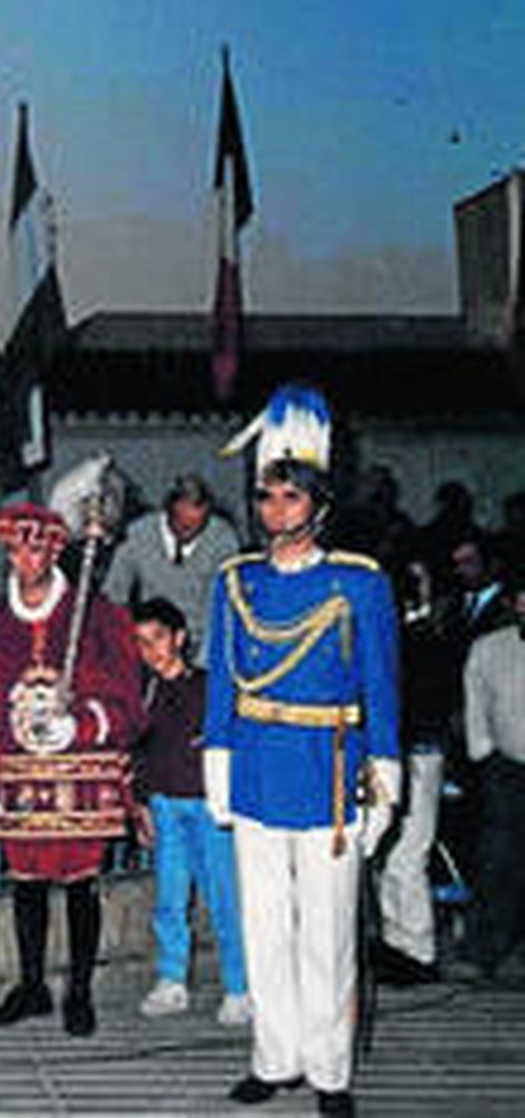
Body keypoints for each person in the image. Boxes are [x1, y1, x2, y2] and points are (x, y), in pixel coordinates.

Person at [204, 385, 401, 1118]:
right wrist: (217, 761)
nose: (274, 511)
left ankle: (330, 1071)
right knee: (264, 926)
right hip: (255, 766)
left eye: (289, 498)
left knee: (327, 932)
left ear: (318, 505)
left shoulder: (357, 582)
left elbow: (381, 684)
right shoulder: (236, 582)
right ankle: (274, 1057)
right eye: (266, 497)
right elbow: (223, 677)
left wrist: (384, 780)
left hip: (330, 773)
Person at [0, 493, 145, 1039]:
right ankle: (31, 984)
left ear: (57, 555)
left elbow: (129, 702)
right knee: (27, 881)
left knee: (81, 880)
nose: (27, 563)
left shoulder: (99, 618)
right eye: (17, 552)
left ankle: (80, 990)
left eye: (38, 552)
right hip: (18, 770)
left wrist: (84, 721)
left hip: (80, 768)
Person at [130, 597, 249, 1026]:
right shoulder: (143, 691)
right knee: (169, 898)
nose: (150, 650)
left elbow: (230, 743)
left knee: (224, 898)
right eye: (141, 642)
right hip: (165, 806)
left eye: (158, 639)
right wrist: (141, 803)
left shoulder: (209, 686)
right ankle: (172, 980)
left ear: (179, 638)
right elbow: (138, 751)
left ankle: (238, 987)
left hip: (208, 805)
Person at [373, 558, 458, 986]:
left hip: (419, 755)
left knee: (408, 855)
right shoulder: (395, 642)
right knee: (389, 857)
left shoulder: (422, 642)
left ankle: (418, 948)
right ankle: (396, 942)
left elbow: (428, 706)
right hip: (398, 754)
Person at [452, 577, 525, 981]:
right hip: (507, 767)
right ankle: (482, 950)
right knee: (498, 859)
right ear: (516, 602)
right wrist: (483, 751)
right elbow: (474, 699)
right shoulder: (490, 647)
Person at [103, 473, 239, 666]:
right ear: (167, 513)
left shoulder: (223, 539)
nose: (191, 534)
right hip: (150, 642)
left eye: (199, 527)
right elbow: (113, 596)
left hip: (200, 645)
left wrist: (201, 667)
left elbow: (220, 609)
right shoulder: (138, 534)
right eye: (184, 527)